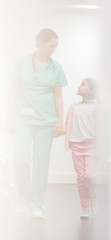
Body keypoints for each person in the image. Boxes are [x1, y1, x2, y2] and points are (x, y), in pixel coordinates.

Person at [7, 28, 67, 218]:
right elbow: (13, 91)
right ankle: (23, 198)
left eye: (55, 47)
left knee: (41, 163)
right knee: (20, 158)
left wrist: (60, 121)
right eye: (51, 46)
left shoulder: (56, 66)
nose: (53, 50)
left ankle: (37, 205)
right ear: (40, 43)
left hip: (46, 121)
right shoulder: (22, 63)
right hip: (23, 119)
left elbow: (58, 95)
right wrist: (9, 116)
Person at [65, 78, 100, 219]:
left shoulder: (97, 108)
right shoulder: (73, 106)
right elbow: (68, 124)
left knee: (89, 176)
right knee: (81, 178)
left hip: (91, 145)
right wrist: (66, 140)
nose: (79, 86)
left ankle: (94, 202)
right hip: (76, 146)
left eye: (83, 84)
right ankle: (85, 208)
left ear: (91, 90)